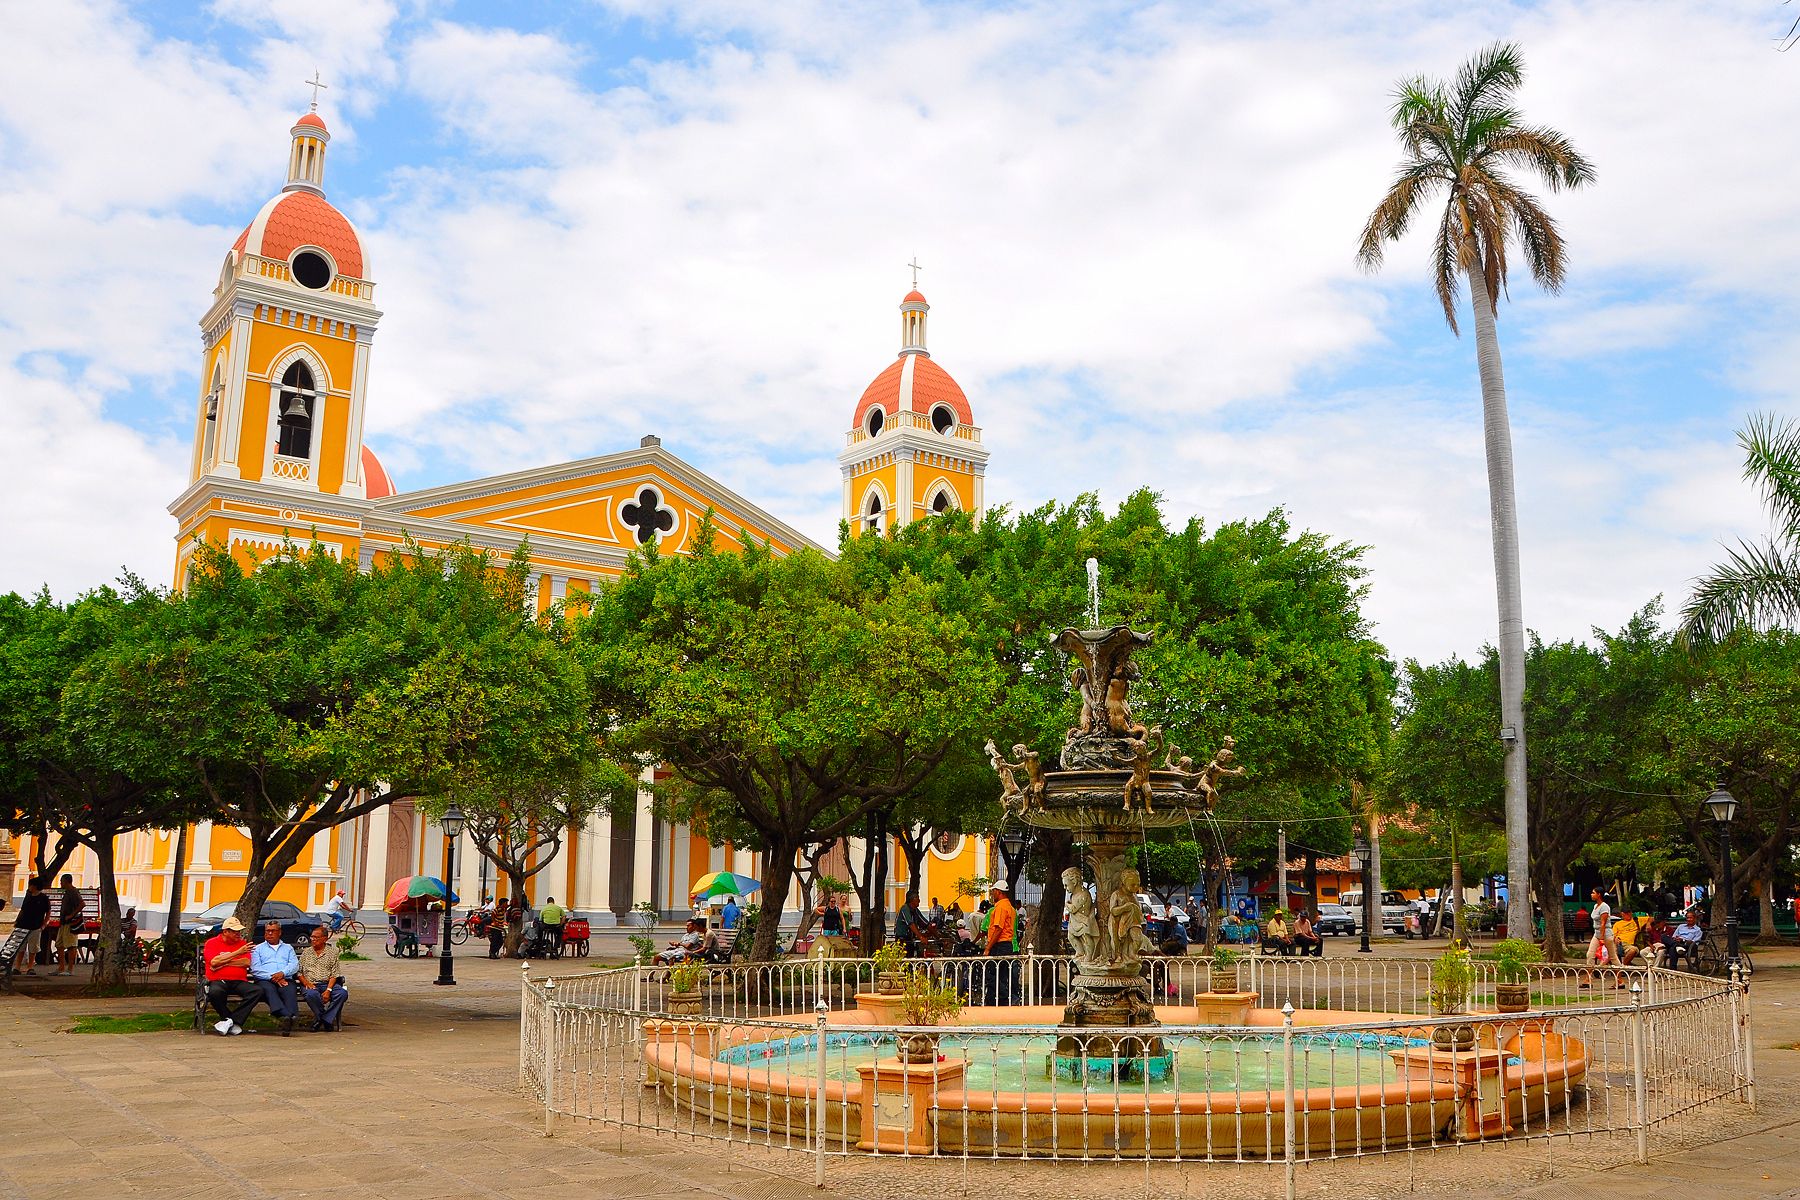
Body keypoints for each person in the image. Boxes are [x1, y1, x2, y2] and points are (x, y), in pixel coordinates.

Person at [203, 916, 260, 1035]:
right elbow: (213, 962)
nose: (238, 934)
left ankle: (231, 1020)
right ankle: (227, 1018)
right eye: (235, 931)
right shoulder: (212, 943)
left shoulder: (242, 943)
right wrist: (238, 953)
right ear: (225, 931)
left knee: (257, 991)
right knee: (215, 992)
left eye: (239, 931)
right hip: (218, 980)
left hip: (238, 980)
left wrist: (224, 961)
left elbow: (246, 962)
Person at [251, 920, 301, 1036]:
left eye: (273, 931)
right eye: (267, 931)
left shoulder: (288, 948)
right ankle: (287, 1016)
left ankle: (289, 1019)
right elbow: (256, 969)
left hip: (285, 978)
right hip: (264, 980)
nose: (269, 933)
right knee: (268, 989)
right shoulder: (257, 949)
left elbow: (294, 965)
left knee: (289, 989)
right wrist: (274, 977)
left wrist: (282, 974)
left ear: (279, 932)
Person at [298, 924, 349, 1032]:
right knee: (311, 994)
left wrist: (328, 990)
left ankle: (322, 1019)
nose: (313, 940)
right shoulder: (306, 952)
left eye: (316, 937)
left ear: (324, 939)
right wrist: (307, 983)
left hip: (328, 983)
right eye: (312, 937)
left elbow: (334, 974)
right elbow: (299, 973)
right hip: (310, 983)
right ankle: (325, 1019)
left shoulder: (332, 953)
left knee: (342, 993)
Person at [984, 881, 1017, 1004]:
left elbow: (998, 928)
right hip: (1007, 944)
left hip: (999, 945)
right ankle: (998, 1001)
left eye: (993, 891)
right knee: (1001, 975)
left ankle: (1001, 998)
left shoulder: (1001, 907)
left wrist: (988, 948)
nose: (993, 894)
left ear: (999, 891)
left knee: (992, 974)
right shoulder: (1010, 907)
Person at [1582, 888, 1622, 988]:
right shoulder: (1596, 906)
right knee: (1590, 954)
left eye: (1593, 893)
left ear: (1599, 895)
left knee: (1613, 957)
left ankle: (1620, 980)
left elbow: (1603, 923)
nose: (1591, 895)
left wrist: (1602, 938)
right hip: (1596, 933)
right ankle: (1588, 979)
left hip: (1606, 934)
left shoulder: (1604, 907)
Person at [14, 880, 49, 976]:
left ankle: (30, 966)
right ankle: (17, 966)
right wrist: (17, 920)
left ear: (35, 886)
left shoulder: (43, 898)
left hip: (35, 925)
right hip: (23, 925)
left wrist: (44, 924)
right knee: (21, 947)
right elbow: (23, 909)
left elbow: (48, 911)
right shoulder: (28, 896)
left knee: (33, 948)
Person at [55, 874, 85, 975]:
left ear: (66, 881)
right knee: (59, 944)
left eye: (61, 881)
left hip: (70, 923)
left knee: (71, 945)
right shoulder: (67, 892)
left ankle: (70, 969)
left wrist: (71, 915)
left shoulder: (73, 892)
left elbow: (82, 904)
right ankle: (61, 967)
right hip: (63, 923)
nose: (60, 883)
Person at [894, 891, 927, 955]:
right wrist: (921, 937)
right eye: (917, 898)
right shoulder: (905, 908)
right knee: (904, 959)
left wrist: (936, 935)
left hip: (910, 938)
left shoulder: (915, 910)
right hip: (902, 939)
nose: (919, 900)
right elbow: (910, 923)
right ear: (912, 900)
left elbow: (925, 923)